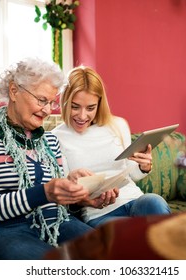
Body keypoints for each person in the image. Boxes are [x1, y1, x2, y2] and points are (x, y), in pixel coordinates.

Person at [0, 57, 94, 260]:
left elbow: (59, 205)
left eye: (51, 103)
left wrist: (80, 197)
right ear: (14, 91)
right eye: (41, 100)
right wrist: (44, 192)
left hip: (55, 225)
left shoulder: (50, 141)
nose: (48, 110)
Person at [52, 65, 171, 228]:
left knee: (155, 202)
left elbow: (131, 173)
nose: (82, 115)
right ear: (64, 101)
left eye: (90, 108)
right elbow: (63, 192)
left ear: (99, 104)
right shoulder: (55, 137)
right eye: (75, 106)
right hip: (98, 213)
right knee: (126, 233)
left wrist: (144, 166)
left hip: (134, 199)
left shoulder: (118, 125)